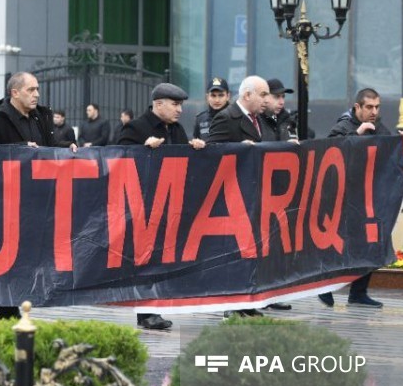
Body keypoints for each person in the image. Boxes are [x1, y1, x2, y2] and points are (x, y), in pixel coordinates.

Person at [0, 71, 73, 319]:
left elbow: (48, 149)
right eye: (31, 90)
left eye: (37, 89)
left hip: (37, 202)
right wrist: (18, 151)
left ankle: (20, 304)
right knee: (8, 259)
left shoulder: (42, 117)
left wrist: (67, 148)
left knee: (29, 259)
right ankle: (5, 311)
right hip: (7, 203)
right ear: (14, 93)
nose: (37, 94)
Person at [119, 83, 206, 331]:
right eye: (175, 105)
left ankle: (157, 306)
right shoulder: (136, 127)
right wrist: (142, 149)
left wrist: (194, 149)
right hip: (143, 205)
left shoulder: (177, 129)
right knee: (146, 258)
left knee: (163, 256)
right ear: (158, 104)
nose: (180, 110)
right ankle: (146, 313)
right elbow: (117, 157)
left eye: (181, 105)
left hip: (169, 204)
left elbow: (181, 161)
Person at [204, 76, 292, 313]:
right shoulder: (226, 118)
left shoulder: (260, 120)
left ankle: (248, 300)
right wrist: (239, 149)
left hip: (256, 194)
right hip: (233, 197)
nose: (266, 100)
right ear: (247, 95)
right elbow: (212, 153)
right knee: (234, 252)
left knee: (253, 250)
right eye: (262, 95)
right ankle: (232, 303)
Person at [324, 88, 403, 308]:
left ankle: (359, 293)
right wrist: (358, 134)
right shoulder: (343, 127)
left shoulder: (379, 127)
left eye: (377, 107)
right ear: (357, 108)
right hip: (344, 198)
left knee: (372, 243)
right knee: (341, 246)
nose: (374, 112)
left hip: (369, 199)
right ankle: (325, 288)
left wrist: (401, 143)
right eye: (369, 107)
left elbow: (389, 152)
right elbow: (331, 151)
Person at [193, 76, 231, 141]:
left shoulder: (236, 117)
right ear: (207, 97)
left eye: (221, 95)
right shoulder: (200, 119)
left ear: (228, 96)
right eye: (213, 95)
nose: (217, 100)